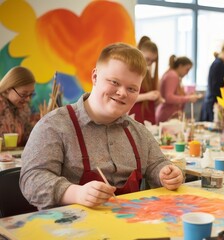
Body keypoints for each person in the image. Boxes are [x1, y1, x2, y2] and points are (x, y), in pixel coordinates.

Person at [20, 43, 184, 210]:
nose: (122, 93)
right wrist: (76, 193)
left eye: (132, 88)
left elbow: (157, 164)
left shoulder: (138, 132)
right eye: (114, 82)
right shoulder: (54, 126)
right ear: (95, 76)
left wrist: (167, 173)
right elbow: (31, 180)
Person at [155, 55, 200, 123]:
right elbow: (169, 97)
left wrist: (187, 95)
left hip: (168, 114)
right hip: (168, 116)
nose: (187, 73)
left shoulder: (171, 74)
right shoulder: (173, 76)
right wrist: (188, 98)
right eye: (187, 69)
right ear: (180, 66)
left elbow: (172, 94)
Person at [129, 36, 163, 124]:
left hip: (149, 116)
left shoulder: (148, 73)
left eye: (153, 61)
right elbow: (127, 96)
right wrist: (147, 96)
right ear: (140, 53)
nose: (149, 63)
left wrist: (157, 99)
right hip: (136, 116)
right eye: (147, 59)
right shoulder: (132, 71)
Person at [0, 66, 37, 147]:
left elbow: (28, 137)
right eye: (23, 94)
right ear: (8, 89)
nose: (28, 99)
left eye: (31, 94)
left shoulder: (24, 108)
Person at [200, 42, 224, 122]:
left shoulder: (219, 64)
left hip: (215, 101)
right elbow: (216, 87)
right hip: (214, 103)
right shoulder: (218, 65)